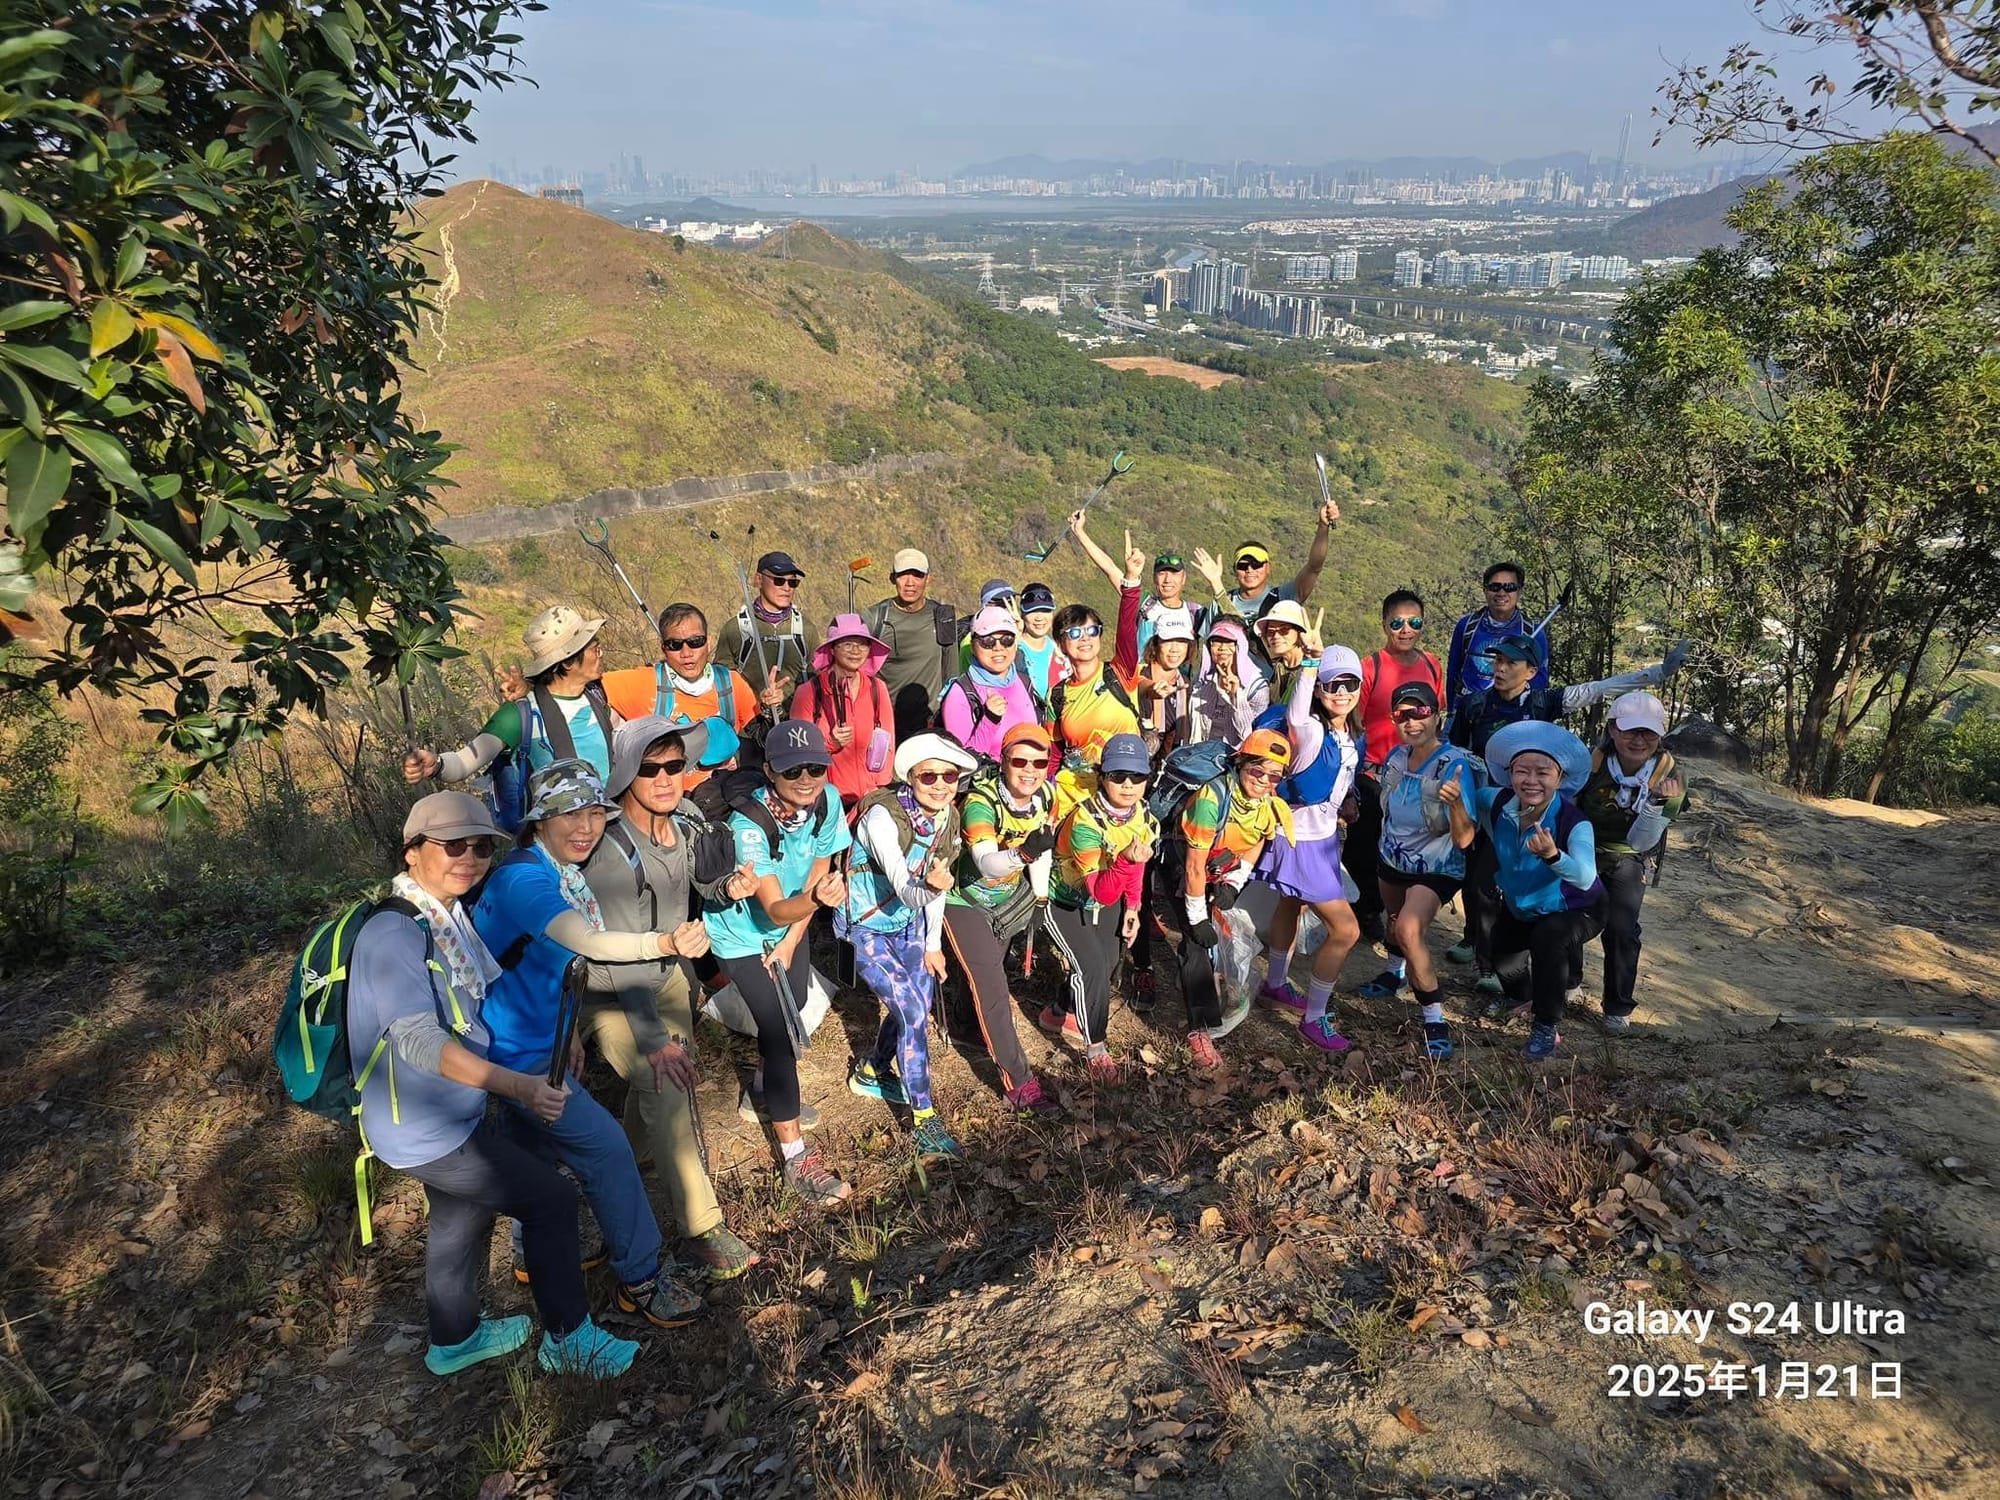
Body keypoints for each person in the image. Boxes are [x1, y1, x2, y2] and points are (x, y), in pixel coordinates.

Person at [348, 792, 639, 1379]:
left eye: (481, 846)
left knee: (461, 1215)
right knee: (550, 1199)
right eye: (452, 845)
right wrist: (517, 1087)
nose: (470, 858)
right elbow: (418, 1041)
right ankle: (569, 1340)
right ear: (411, 851)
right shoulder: (395, 933)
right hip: (423, 1125)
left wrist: (561, 1039)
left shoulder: (445, 914)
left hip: (446, 1115)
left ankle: (454, 1341)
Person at [470, 760, 706, 1329]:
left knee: (536, 1151)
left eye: (594, 811)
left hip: (535, 1039)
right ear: (539, 822)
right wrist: (666, 940)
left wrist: (569, 1029)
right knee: (605, 1149)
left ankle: (534, 1253)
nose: (585, 826)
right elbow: (586, 943)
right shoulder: (525, 880)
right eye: (567, 813)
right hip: (507, 1051)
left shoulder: (562, 874)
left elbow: (548, 964)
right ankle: (642, 1278)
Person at [579, 718, 763, 1281]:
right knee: (667, 1081)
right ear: (627, 774)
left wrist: (727, 888)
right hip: (612, 995)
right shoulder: (611, 852)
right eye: (650, 768)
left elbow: (694, 884)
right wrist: (654, 1043)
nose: (665, 778)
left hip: (668, 977)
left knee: (655, 1098)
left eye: (675, 766)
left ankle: (608, 1187)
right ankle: (701, 1227)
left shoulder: (680, 823)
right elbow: (616, 958)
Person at [1447, 633, 1691, 994]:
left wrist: (1657, 673)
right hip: (1497, 805)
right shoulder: (1474, 705)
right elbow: (1458, 752)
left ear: (1531, 671)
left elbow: (1601, 688)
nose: (1500, 669)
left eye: (1510, 663)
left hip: (1549, 812)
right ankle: (1489, 965)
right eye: (1496, 661)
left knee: (1558, 899)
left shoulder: (1546, 701)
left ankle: (1571, 981)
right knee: (1484, 885)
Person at [701, 719, 854, 1203]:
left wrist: (792, 940)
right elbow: (772, 906)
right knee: (780, 1032)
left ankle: (764, 1091)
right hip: (739, 933)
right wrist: (813, 907)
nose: (806, 780)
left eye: (815, 768)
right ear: (769, 772)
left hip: (791, 923)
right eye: (793, 773)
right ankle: (796, 1158)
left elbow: (818, 867)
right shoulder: (750, 825)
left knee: (799, 1002)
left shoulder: (827, 802)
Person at [841, 732, 981, 1159]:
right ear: (911, 777)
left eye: (950, 775)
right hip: (867, 928)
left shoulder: (947, 819)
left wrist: (933, 944)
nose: (940, 784)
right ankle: (924, 1118)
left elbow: (936, 887)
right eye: (929, 776)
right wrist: (933, 888)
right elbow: (909, 888)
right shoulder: (882, 817)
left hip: (909, 928)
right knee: (915, 1011)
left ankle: (872, 1070)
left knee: (915, 1005)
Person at [1440, 720, 1605, 1061]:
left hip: (1577, 908)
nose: (1531, 781)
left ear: (1560, 778)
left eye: (1543, 772)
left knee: (1549, 939)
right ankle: (1524, 999)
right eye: (1521, 771)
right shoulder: (1498, 802)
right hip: (1523, 906)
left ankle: (1546, 1027)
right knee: (1502, 959)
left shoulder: (1573, 821)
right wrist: (1457, 793)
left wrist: (1553, 855)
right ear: (1509, 773)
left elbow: (1586, 877)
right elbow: (1469, 792)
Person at [1357, 681, 1480, 1059]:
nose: (1412, 721)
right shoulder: (1395, 757)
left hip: (1436, 866)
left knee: (1409, 929)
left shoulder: (1455, 764)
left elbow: (1464, 839)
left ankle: (1434, 1018)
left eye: (1420, 712)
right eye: (1402, 714)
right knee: (1394, 920)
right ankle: (1393, 973)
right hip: (1392, 858)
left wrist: (1457, 804)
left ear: (1436, 715)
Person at [942, 722, 1061, 1113]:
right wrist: (1023, 855)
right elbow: (986, 862)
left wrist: (1040, 898)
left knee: (986, 972)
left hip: (1008, 897)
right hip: (964, 900)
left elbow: (1041, 849)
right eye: (1020, 760)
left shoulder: (1045, 796)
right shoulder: (981, 802)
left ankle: (963, 1025)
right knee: (993, 988)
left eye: (1039, 761)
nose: (1030, 770)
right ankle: (1020, 1082)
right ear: (1004, 762)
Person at [1257, 647, 1366, 1052]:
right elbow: (1297, 716)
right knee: (1347, 929)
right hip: (1300, 840)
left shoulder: (1349, 734)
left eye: (1348, 683)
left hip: (1319, 841)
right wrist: (1307, 666)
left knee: (1291, 905)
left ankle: (1275, 984)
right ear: (1319, 690)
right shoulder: (1312, 730)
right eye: (1331, 685)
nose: (1340, 692)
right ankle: (1314, 1018)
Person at [1166, 728, 1293, 1067]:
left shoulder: (1267, 803)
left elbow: (1257, 841)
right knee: (1196, 940)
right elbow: (1192, 867)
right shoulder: (1212, 800)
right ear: (1241, 765)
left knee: (1210, 935)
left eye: (1274, 776)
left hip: (1217, 867)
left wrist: (1235, 882)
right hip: (1181, 860)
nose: (1264, 781)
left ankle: (1204, 981)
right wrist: (1197, 917)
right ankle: (1201, 1029)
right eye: (1257, 771)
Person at [1042, 732, 1159, 1083]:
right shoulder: (1085, 822)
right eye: (1117, 775)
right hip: (1064, 900)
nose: (1127, 785)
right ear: (1102, 775)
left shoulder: (1142, 815)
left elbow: (1138, 863)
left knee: (1107, 965)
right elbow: (1105, 890)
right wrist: (1124, 861)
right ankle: (1096, 1050)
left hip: (1105, 897)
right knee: (1092, 970)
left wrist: (1134, 907)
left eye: (1136, 776)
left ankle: (1057, 1012)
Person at [404, 605, 620, 793]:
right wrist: (437, 764)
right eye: (595, 649)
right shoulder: (520, 714)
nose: (601, 655)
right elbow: (465, 761)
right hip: (554, 835)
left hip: (607, 824)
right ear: (568, 662)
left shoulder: (597, 697)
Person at [1575, 691, 1688, 1033]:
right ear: (1612, 730)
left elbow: (1642, 841)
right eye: (1630, 731)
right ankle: (1568, 982)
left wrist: (1656, 804)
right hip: (1582, 849)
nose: (1639, 740)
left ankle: (1617, 1007)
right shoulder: (1588, 764)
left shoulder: (1670, 778)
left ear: (1660, 735)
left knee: (1622, 930)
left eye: (1649, 733)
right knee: (1569, 916)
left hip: (1630, 856)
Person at [1347, 591, 1446, 938]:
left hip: (1418, 774)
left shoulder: (1432, 664)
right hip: (1375, 772)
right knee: (1366, 842)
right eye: (1397, 623)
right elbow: (1354, 718)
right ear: (1384, 624)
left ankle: (1397, 912)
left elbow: (1437, 713)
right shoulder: (1369, 666)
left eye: (1414, 622)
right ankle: (1362, 908)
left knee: (1404, 842)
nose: (1406, 630)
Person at [600, 603, 760, 790]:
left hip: (722, 799)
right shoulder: (643, 682)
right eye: (674, 645)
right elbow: (581, 686)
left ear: (709, 641)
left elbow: (759, 738)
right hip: (666, 800)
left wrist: (770, 707)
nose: (686, 653)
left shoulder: (732, 684)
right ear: (663, 648)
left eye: (695, 642)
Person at [1049, 516, 1144, 807]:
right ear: (1061, 644)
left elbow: (1128, 628)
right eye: (1074, 632)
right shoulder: (1059, 694)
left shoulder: (1119, 672)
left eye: (1092, 630)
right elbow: (1054, 752)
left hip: (1122, 795)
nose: (1085, 638)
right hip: (1074, 795)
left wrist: (1131, 581)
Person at [1191, 500, 1338, 675]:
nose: (1250, 570)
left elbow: (1314, 566)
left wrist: (1323, 527)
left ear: (1268, 568)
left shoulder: (1282, 597)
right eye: (1243, 565)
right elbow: (1210, 648)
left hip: (1277, 683)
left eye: (1257, 564)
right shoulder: (1221, 602)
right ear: (1235, 571)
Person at [790, 613, 895, 810]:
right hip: (825, 800)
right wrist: (831, 744)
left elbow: (888, 743)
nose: (856, 651)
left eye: (862, 644)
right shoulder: (809, 692)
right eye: (847, 644)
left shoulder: (877, 688)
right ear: (833, 648)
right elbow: (798, 750)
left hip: (870, 797)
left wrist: (877, 789)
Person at [868, 548, 960, 740]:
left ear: (928, 579)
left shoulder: (942, 617)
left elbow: (952, 675)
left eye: (917, 575)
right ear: (892, 578)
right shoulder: (874, 618)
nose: (910, 583)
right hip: (885, 723)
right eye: (903, 575)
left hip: (930, 723)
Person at [715, 550, 819, 713]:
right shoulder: (736, 629)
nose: (787, 588)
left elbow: (816, 682)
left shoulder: (806, 630)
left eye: (793, 583)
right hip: (748, 729)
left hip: (794, 728)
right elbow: (721, 682)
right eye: (779, 581)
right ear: (759, 579)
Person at [939, 605, 1042, 761]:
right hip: (985, 783)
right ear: (973, 646)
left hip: (1029, 779)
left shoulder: (1024, 682)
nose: (998, 648)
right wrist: (990, 719)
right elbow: (962, 761)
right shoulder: (961, 692)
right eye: (988, 641)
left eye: (1007, 640)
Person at [1445, 561, 1550, 702]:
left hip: (1510, 715)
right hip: (1466, 710)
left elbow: (1540, 681)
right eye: (1495, 587)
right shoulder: (1466, 626)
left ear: (1519, 591)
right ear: (1485, 590)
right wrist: (1452, 710)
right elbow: (1453, 671)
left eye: (1509, 587)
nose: (1501, 593)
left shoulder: (1533, 633)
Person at [1192, 618, 1269, 748]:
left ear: (1241, 646)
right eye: (1216, 642)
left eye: (1229, 642)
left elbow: (1249, 736)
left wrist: (1236, 696)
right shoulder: (1202, 681)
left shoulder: (1257, 688)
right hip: (1200, 757)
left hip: (1233, 760)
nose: (1222, 648)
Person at [1135, 616, 1196, 761]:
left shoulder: (1185, 684)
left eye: (1181, 642)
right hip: (1140, 761)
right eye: (1167, 641)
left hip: (1171, 763)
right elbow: (1141, 685)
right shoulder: (1140, 675)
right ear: (1155, 644)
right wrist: (1152, 690)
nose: (1174, 649)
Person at [1136, 550, 1204, 656]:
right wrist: (1130, 573)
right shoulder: (1145, 603)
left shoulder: (1196, 612)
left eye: (1174, 573)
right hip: (1141, 672)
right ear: (1154, 578)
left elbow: (1235, 627)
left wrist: (1216, 582)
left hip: (1179, 672)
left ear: (1183, 578)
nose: (1167, 579)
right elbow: (1112, 571)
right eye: (1162, 573)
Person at [1254, 600, 1314, 708]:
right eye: (1270, 632)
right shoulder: (1275, 666)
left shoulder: (1308, 664)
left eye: (1284, 630)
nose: (1276, 636)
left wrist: (1312, 655)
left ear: (1300, 633)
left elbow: (1313, 666)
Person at [1015, 582, 1068, 702]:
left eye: (1045, 611)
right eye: (1032, 612)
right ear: (1022, 614)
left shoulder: (1061, 652)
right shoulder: (1010, 649)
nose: (1039, 618)